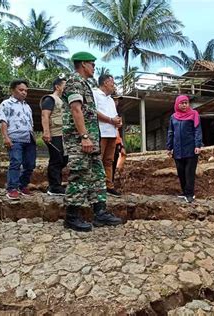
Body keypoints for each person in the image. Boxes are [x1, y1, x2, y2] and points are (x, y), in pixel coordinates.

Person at [62, 51, 122, 232]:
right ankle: (71, 216)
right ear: (83, 65)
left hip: (92, 140)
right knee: (79, 175)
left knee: (97, 174)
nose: (94, 68)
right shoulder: (75, 82)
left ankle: (100, 212)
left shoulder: (85, 84)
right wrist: (84, 137)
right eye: (92, 64)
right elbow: (75, 109)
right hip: (80, 140)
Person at [0, 79, 36, 200]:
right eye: (21, 90)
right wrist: (6, 137)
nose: (24, 92)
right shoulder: (6, 104)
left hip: (29, 138)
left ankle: (22, 185)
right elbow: (3, 121)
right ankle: (12, 188)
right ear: (13, 90)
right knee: (16, 162)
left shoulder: (27, 106)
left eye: (26, 90)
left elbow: (31, 123)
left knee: (30, 164)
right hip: (14, 138)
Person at [166, 95, 203, 203]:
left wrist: (198, 145)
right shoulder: (173, 117)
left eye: (186, 103)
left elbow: (197, 130)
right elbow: (170, 132)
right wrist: (169, 147)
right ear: (177, 104)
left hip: (191, 148)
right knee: (181, 172)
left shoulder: (194, 114)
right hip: (177, 149)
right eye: (182, 103)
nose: (184, 105)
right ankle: (184, 192)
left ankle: (190, 194)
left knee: (189, 172)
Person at [93, 74, 122, 197]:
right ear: (105, 83)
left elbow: (114, 116)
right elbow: (93, 112)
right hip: (100, 132)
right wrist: (111, 120)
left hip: (111, 133)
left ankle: (109, 186)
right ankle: (96, 186)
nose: (113, 86)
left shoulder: (110, 100)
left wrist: (118, 122)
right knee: (97, 160)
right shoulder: (94, 94)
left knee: (109, 161)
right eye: (112, 83)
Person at [40, 76, 68, 196]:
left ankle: (57, 184)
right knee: (56, 159)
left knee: (64, 159)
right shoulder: (50, 99)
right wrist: (46, 132)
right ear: (57, 86)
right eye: (65, 86)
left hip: (63, 135)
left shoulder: (63, 101)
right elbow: (44, 115)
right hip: (54, 134)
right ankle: (54, 187)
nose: (66, 88)